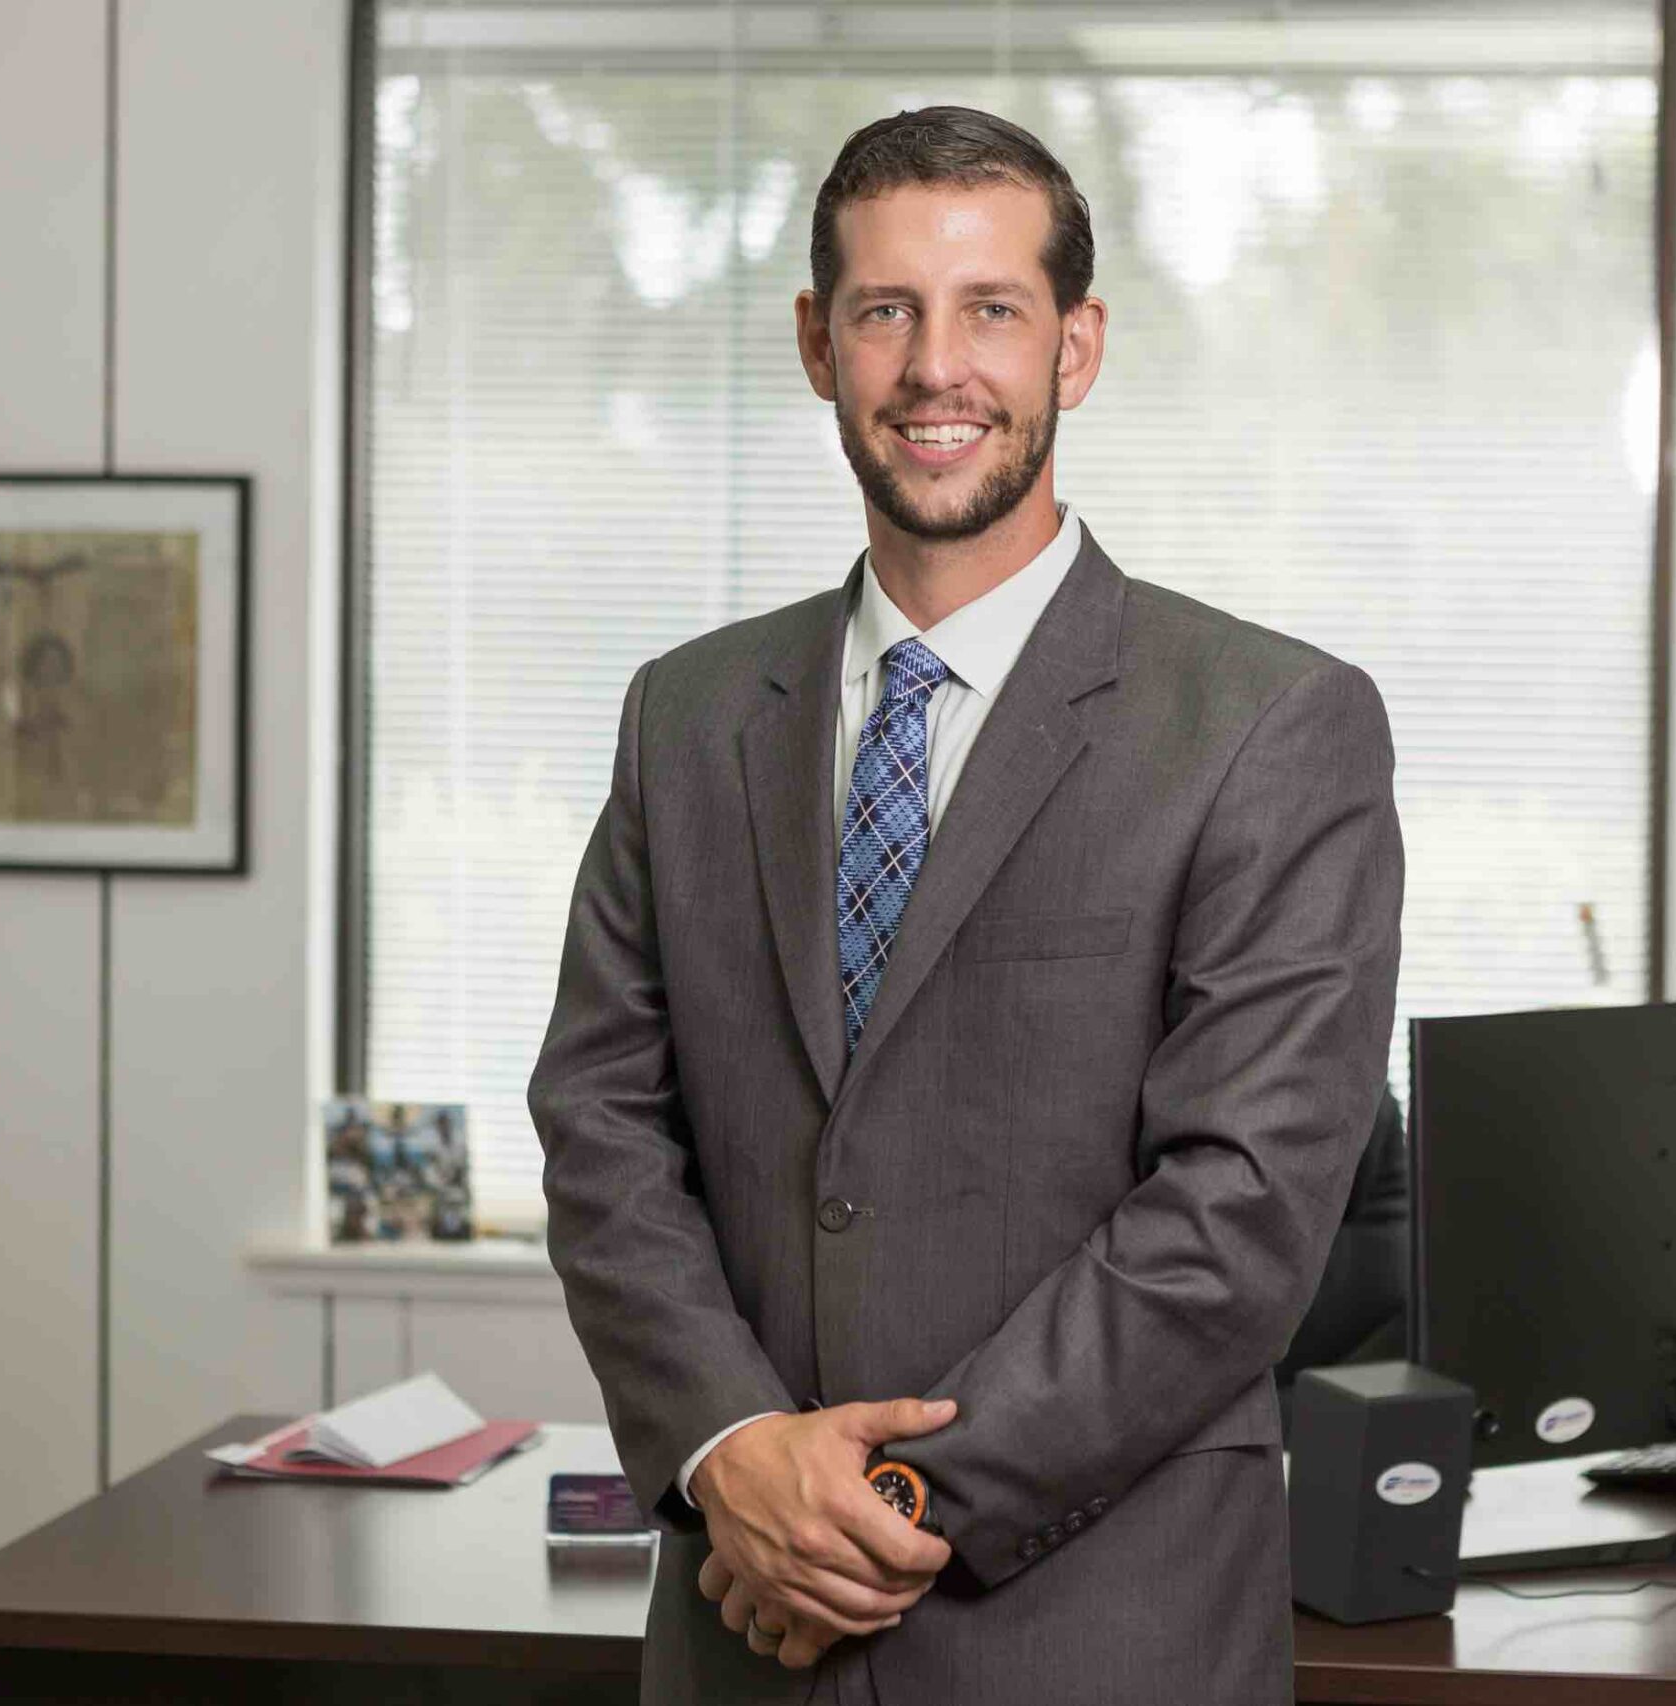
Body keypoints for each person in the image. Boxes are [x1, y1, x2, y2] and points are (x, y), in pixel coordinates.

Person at [530, 105, 1403, 1706]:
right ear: (819, 344)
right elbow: (600, 1127)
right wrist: (730, 1451)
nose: (938, 368)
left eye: (991, 308)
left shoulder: (1270, 726)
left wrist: (873, 1511)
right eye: (888, 310)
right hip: (741, 1641)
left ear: (1077, 346)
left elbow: (1240, 1212)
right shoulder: (688, 717)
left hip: (1097, 1641)